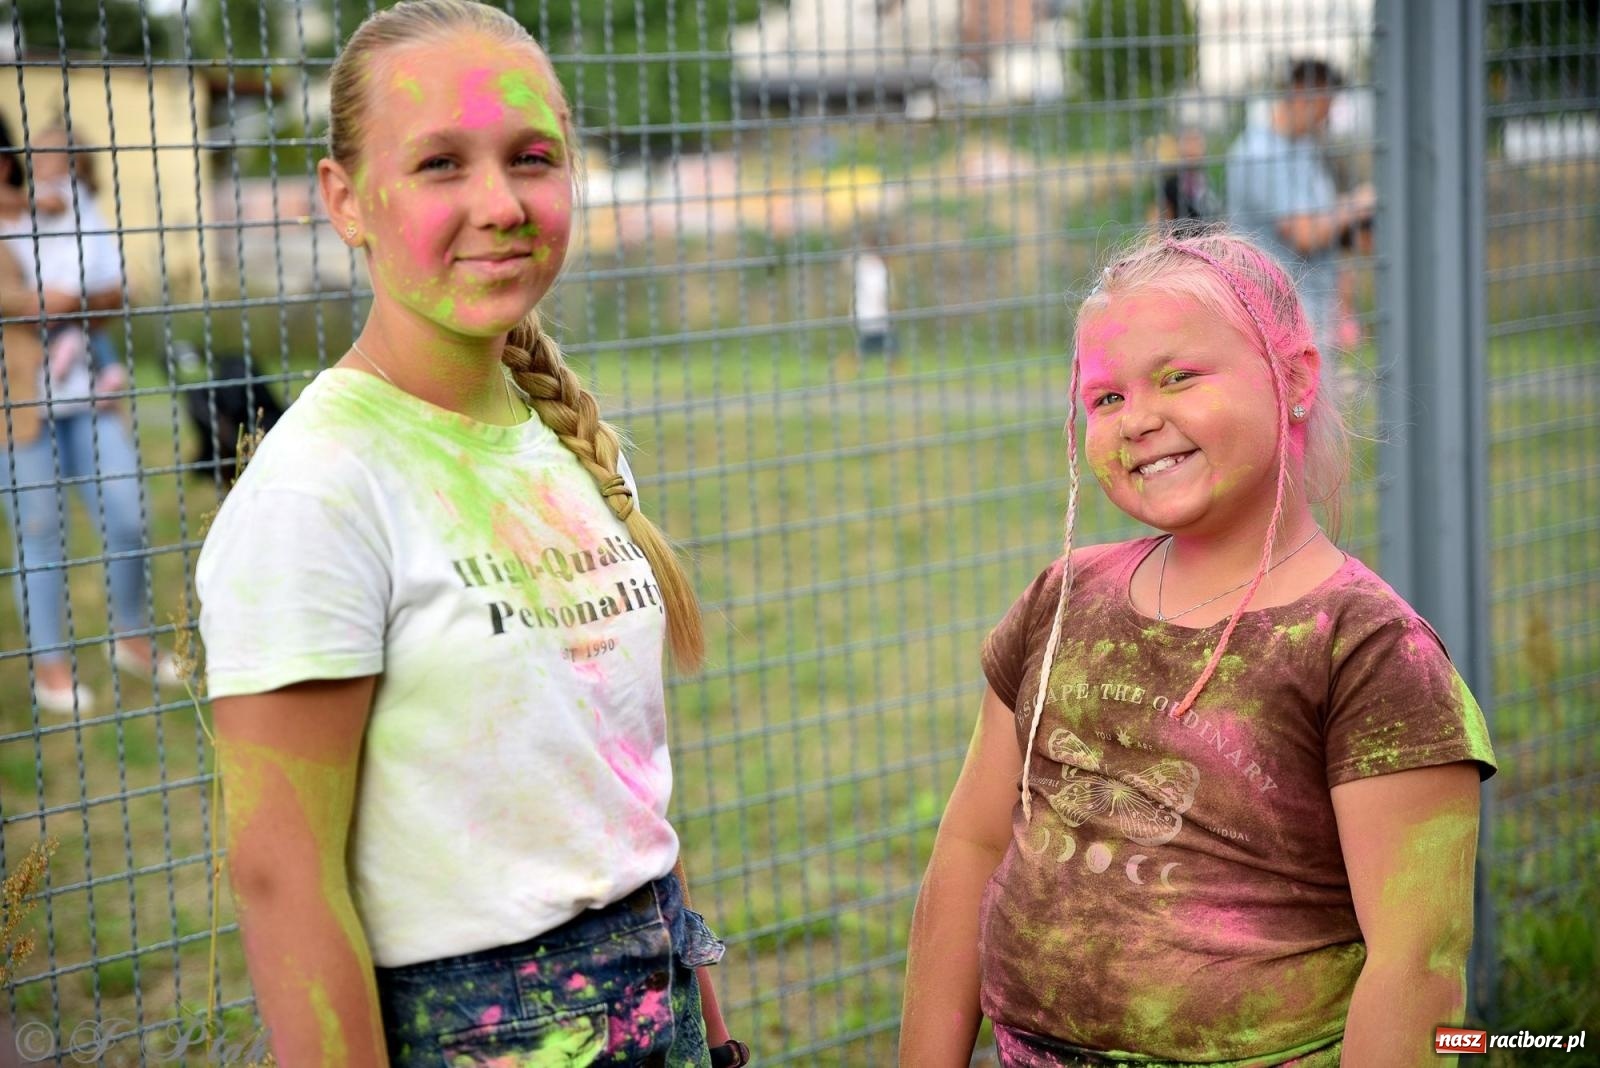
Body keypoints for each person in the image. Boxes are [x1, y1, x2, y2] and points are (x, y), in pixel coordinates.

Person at [194, 3, 746, 1065]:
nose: (499, 203)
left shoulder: (576, 447)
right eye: (441, 164)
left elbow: (615, 793)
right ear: (344, 200)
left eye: (531, 159)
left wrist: (707, 1020)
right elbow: (283, 882)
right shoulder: (318, 489)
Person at [900, 229, 1495, 1067]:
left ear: (1294, 378)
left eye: (1177, 377)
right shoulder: (1059, 601)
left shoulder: (1367, 653)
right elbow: (968, 849)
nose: (1138, 419)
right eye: (1104, 397)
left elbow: (1416, 971)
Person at [0, 115, 178, 716]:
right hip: (18, 407)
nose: (54, 162)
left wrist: (74, 302)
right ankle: (51, 666)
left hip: (87, 394)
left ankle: (131, 637)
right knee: (40, 534)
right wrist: (31, 304)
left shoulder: (76, 209)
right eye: (46, 153)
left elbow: (113, 291)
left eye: (64, 155)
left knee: (128, 511)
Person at [1226, 58, 1374, 362]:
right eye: (1326, 101)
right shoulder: (1260, 154)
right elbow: (1305, 233)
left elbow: (1323, 217)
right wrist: (1356, 205)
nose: (1329, 113)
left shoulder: (1304, 148)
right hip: (1279, 312)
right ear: (1303, 93)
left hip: (1317, 305)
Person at [1151, 127, 1219, 232]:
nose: (1193, 148)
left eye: (1197, 143)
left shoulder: (1208, 181)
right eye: (1188, 142)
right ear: (1179, 147)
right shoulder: (1170, 185)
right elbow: (1157, 226)